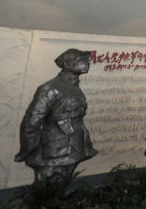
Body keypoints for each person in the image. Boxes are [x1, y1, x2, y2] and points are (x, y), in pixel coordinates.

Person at [14, 48, 98, 183]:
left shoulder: (74, 87)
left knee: (63, 183)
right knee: (48, 186)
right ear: (66, 64)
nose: (86, 62)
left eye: (86, 60)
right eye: (80, 60)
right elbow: (32, 121)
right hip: (55, 148)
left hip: (76, 145)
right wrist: (28, 149)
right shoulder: (50, 88)